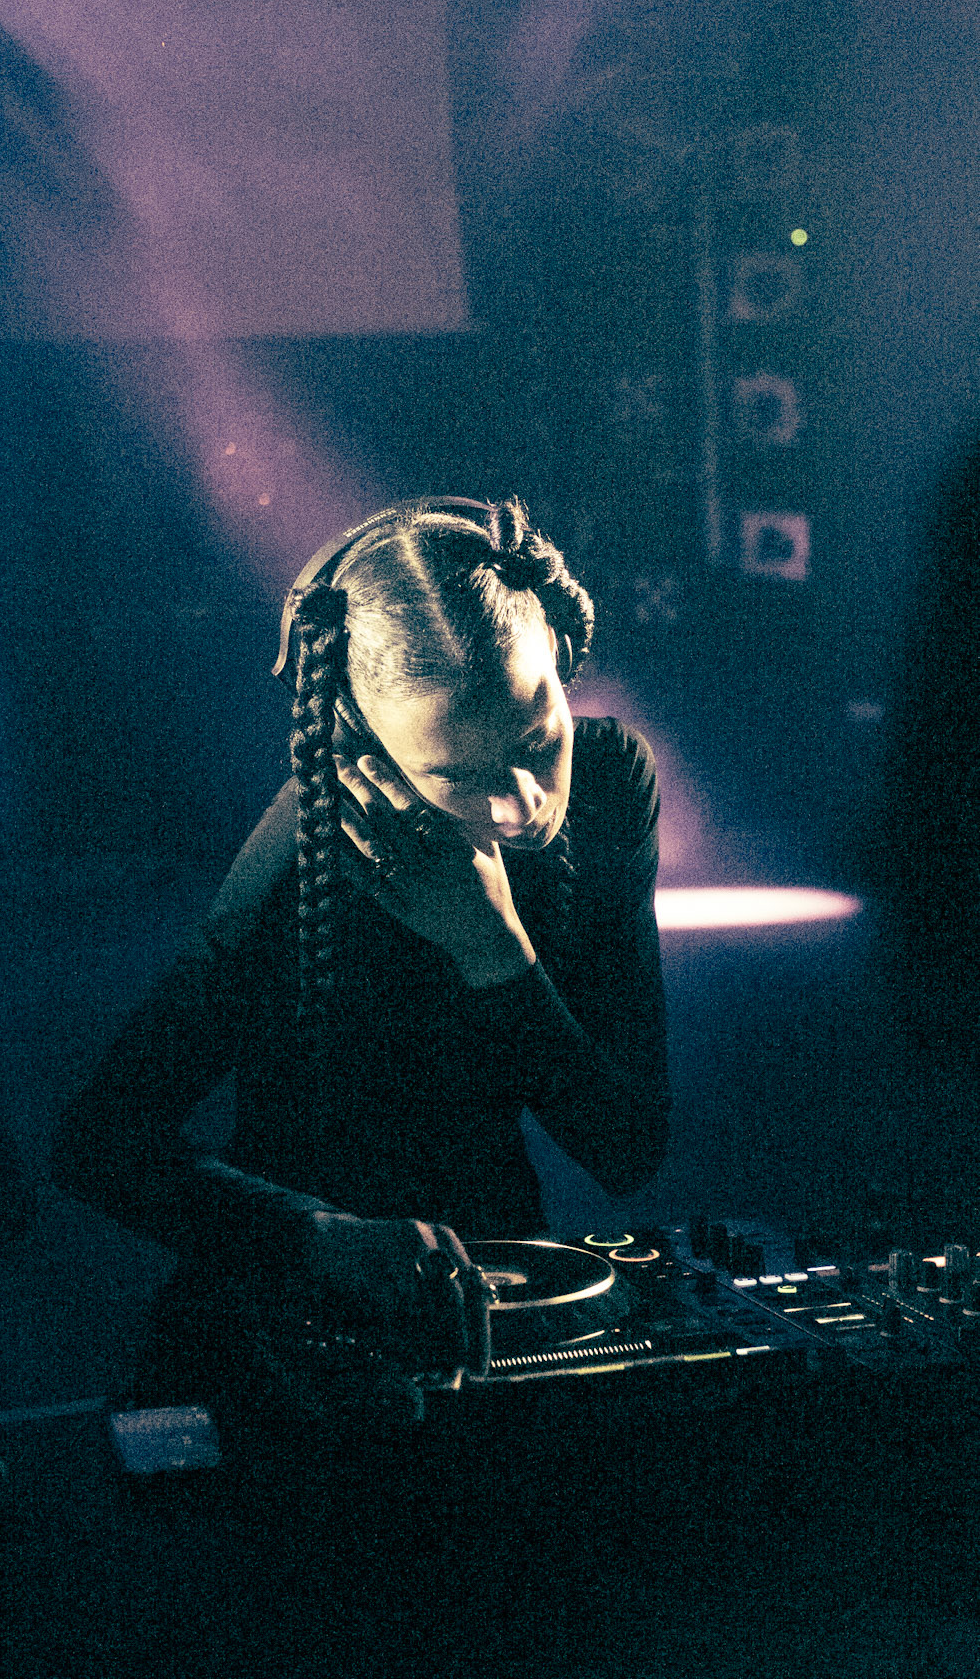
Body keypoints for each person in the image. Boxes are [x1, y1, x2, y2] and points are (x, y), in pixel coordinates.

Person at [51, 498, 669, 1410]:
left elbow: (628, 1147)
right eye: (457, 776)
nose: (521, 805)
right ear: (361, 744)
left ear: (563, 657)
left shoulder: (611, 781)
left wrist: (492, 949)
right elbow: (97, 1143)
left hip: (496, 1304)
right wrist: (315, 1234)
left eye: (539, 739)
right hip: (291, 1338)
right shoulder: (302, 854)